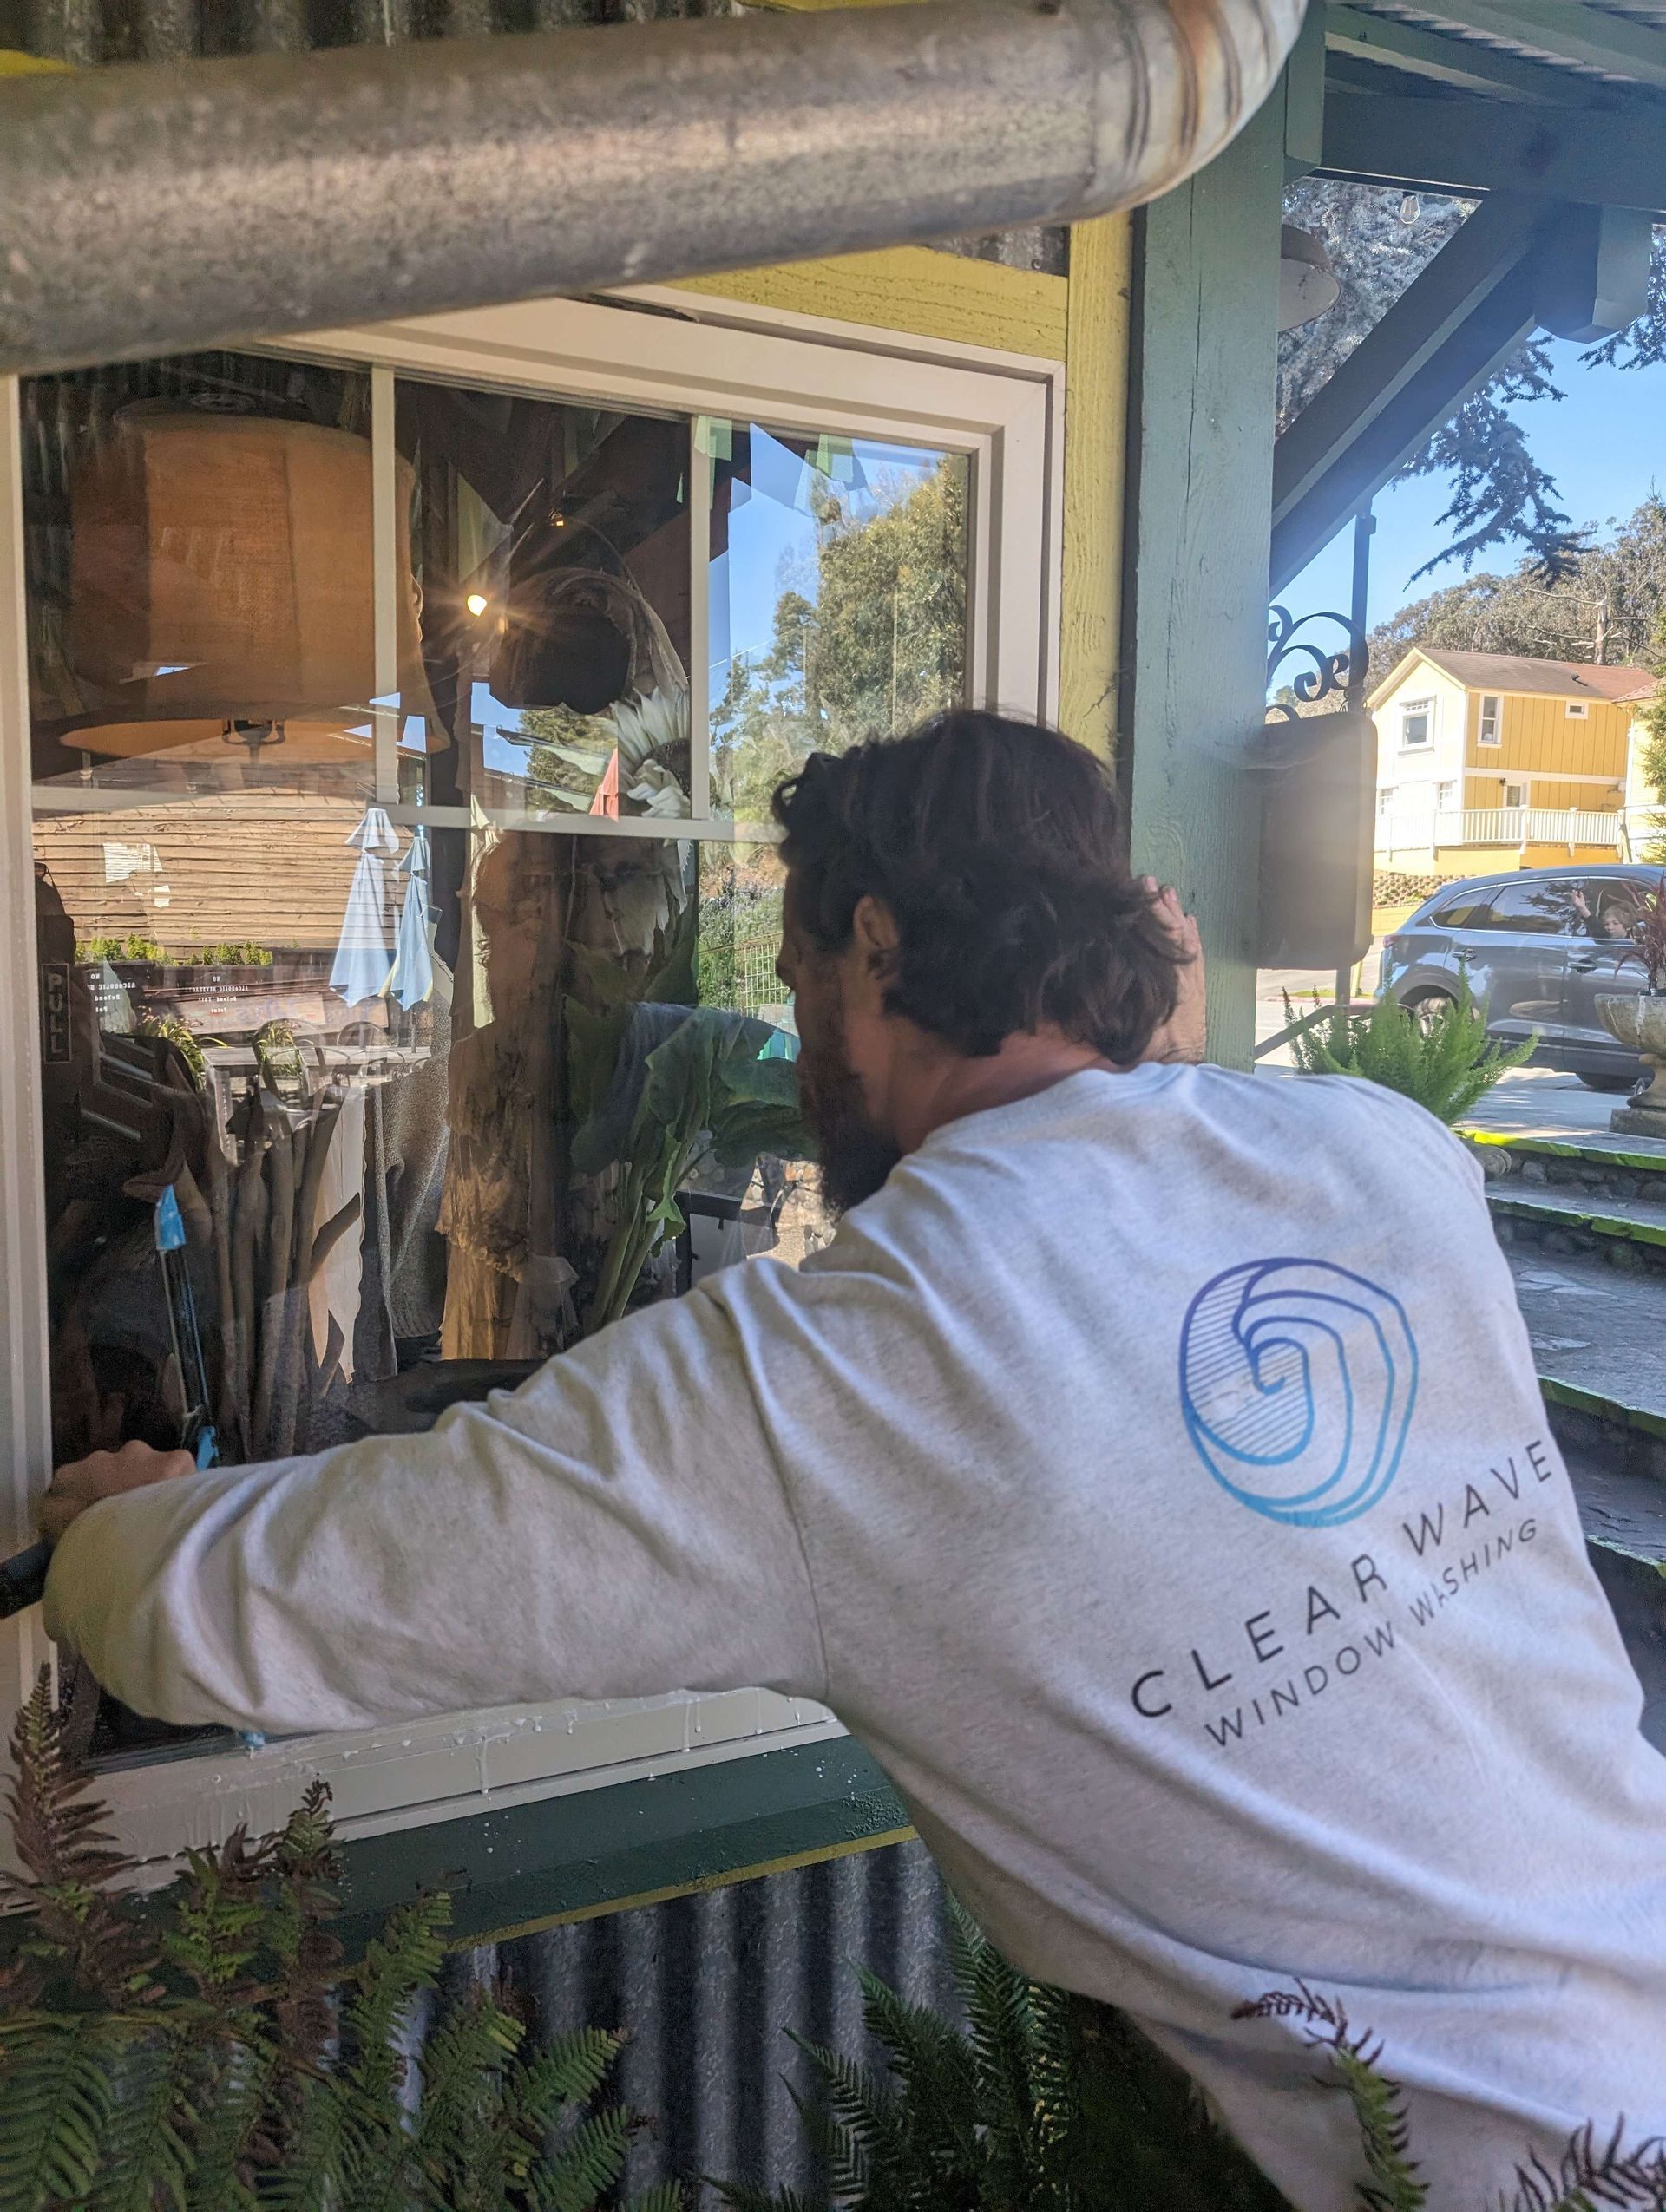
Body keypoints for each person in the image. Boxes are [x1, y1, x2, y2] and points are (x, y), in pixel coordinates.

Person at [36, 712, 1666, 2212]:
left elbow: (257, 1603)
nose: (796, 1028)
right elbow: (1143, 1206)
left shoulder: (834, 1382)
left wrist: (116, 1535)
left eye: (801, 971)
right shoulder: (1390, 1158)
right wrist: (1147, 1030)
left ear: (874, 946)